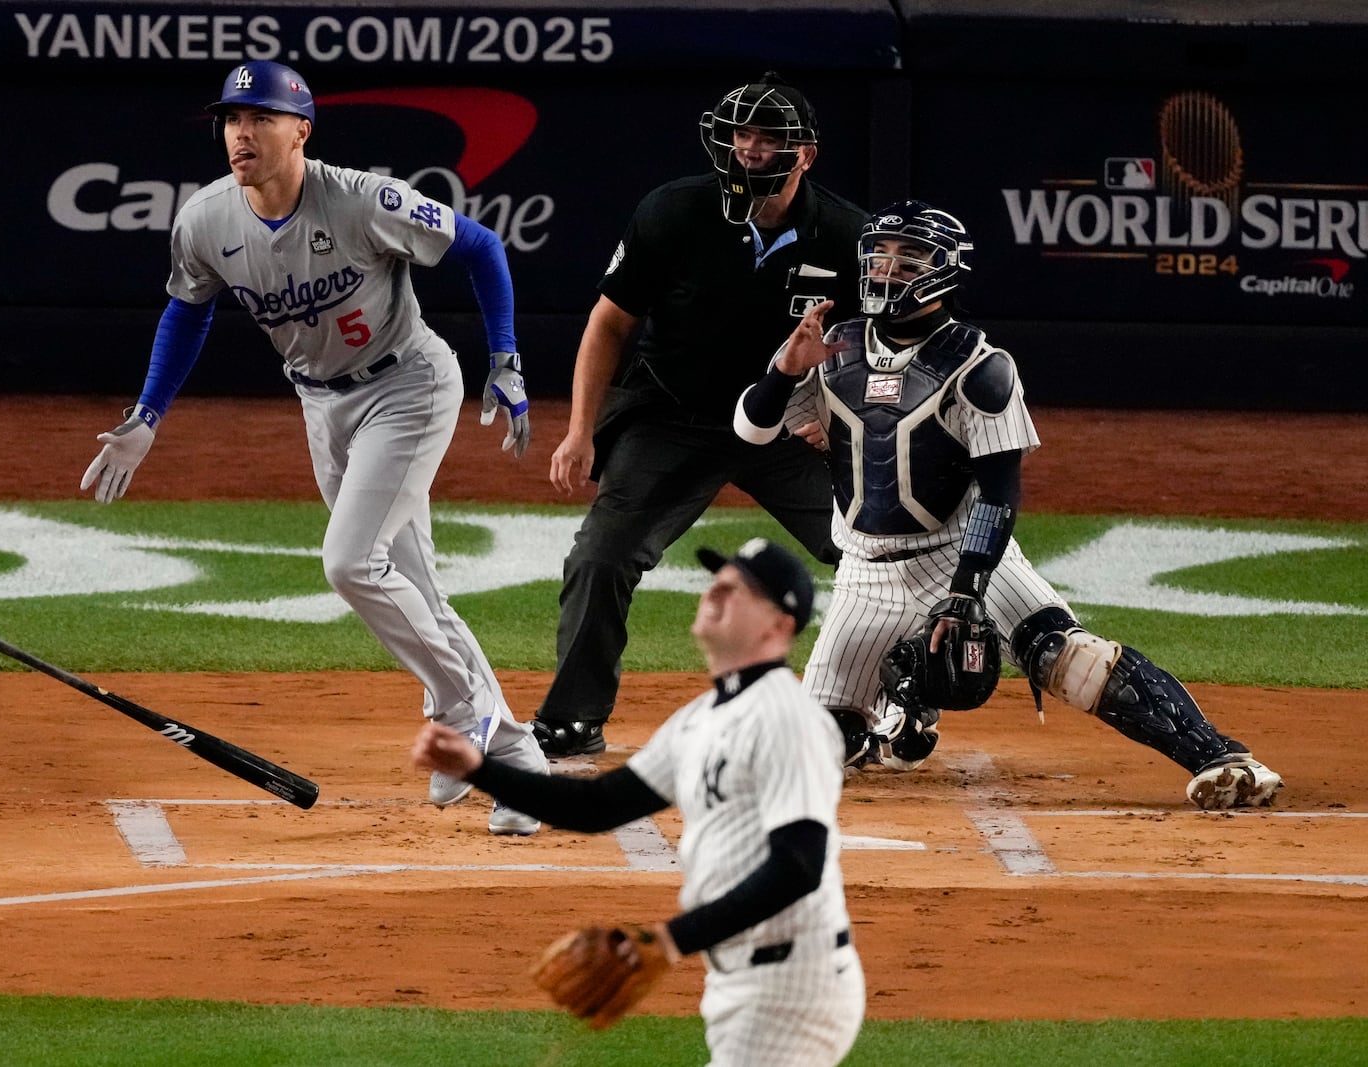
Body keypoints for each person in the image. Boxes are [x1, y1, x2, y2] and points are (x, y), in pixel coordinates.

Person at [79, 61, 548, 835]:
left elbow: (481, 246)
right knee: (416, 590)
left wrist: (505, 359)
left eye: (259, 117)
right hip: (322, 406)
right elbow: (187, 312)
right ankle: (517, 758)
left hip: (410, 387)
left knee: (350, 561)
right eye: (231, 119)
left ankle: (463, 706)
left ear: (301, 128)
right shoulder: (205, 220)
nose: (240, 133)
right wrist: (147, 415)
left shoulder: (363, 199)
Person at [733, 200, 1283, 810]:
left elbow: (999, 490)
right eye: (879, 256)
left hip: (960, 549)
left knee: (1062, 655)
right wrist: (784, 369)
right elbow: (752, 432)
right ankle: (900, 710)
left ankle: (1223, 758)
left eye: (907, 258)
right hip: (865, 570)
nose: (888, 270)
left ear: (944, 270)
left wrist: (967, 588)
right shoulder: (830, 348)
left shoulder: (980, 367)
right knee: (814, 745)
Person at [413, 538, 864, 1064]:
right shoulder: (704, 716)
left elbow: (799, 864)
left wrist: (671, 940)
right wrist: (479, 769)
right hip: (743, 980)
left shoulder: (788, 718)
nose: (718, 589)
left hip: (793, 986)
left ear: (779, 626)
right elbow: (599, 805)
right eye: (720, 578)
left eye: (741, 589)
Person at [532, 72, 868, 759]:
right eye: (741, 132)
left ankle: (895, 705)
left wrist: (836, 413)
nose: (748, 148)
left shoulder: (844, 235)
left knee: (875, 553)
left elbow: (875, 347)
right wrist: (577, 430)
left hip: (783, 423)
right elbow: (608, 323)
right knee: (601, 554)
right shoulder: (673, 212)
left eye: (768, 136)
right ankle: (572, 717)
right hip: (672, 415)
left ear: (805, 153)